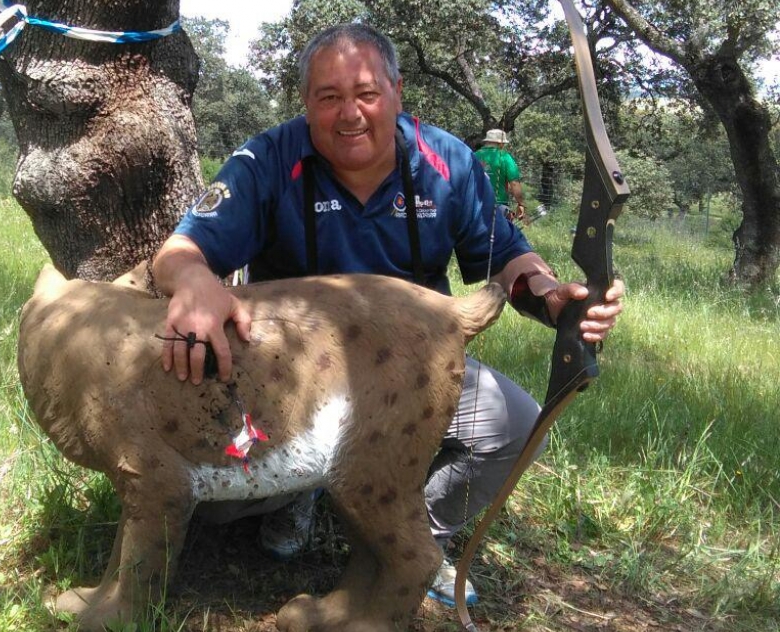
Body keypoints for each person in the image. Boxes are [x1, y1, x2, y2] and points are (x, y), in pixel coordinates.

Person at [150, 23, 624, 609]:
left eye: (366, 93)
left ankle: (403, 538)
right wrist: (195, 281)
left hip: (408, 372)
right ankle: (301, 492)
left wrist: (553, 297)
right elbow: (178, 252)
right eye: (328, 97)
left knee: (514, 426)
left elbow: (506, 259)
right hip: (286, 382)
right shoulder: (267, 158)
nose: (349, 114)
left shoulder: (448, 161)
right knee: (222, 506)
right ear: (307, 104)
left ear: (397, 92)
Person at [474, 128, 528, 224]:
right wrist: (521, 204)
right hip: (498, 208)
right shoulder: (505, 157)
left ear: (486, 142)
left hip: (475, 206)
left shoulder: (473, 156)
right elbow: (514, 183)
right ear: (501, 143)